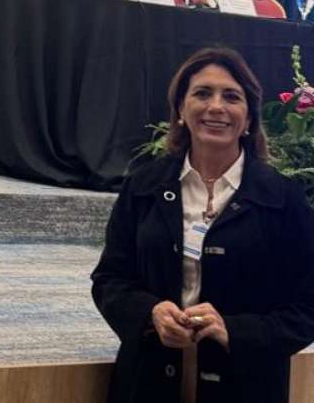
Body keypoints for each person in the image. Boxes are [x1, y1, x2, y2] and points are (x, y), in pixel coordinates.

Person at [91, 46, 314, 402]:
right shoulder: (143, 186)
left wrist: (235, 331)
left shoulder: (284, 200)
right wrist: (149, 313)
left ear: (249, 117)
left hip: (246, 387)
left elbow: (306, 308)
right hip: (147, 382)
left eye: (232, 96)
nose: (216, 106)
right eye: (202, 93)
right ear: (180, 109)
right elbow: (109, 280)